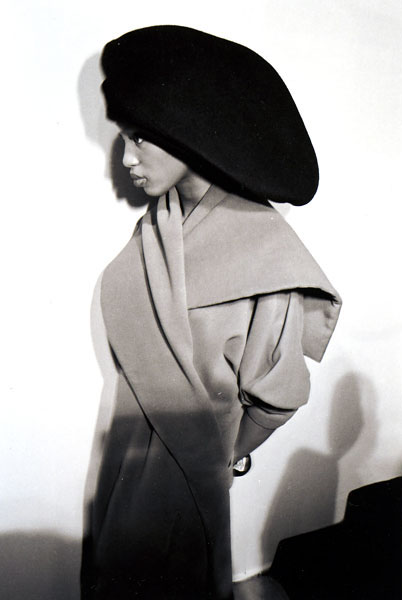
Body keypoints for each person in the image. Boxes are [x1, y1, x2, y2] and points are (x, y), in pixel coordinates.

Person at [81, 25, 342, 600]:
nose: (126, 159)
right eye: (123, 138)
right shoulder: (159, 227)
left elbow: (277, 395)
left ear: (189, 132)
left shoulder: (266, 250)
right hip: (124, 468)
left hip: (189, 487)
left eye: (139, 138)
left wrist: (214, 459)